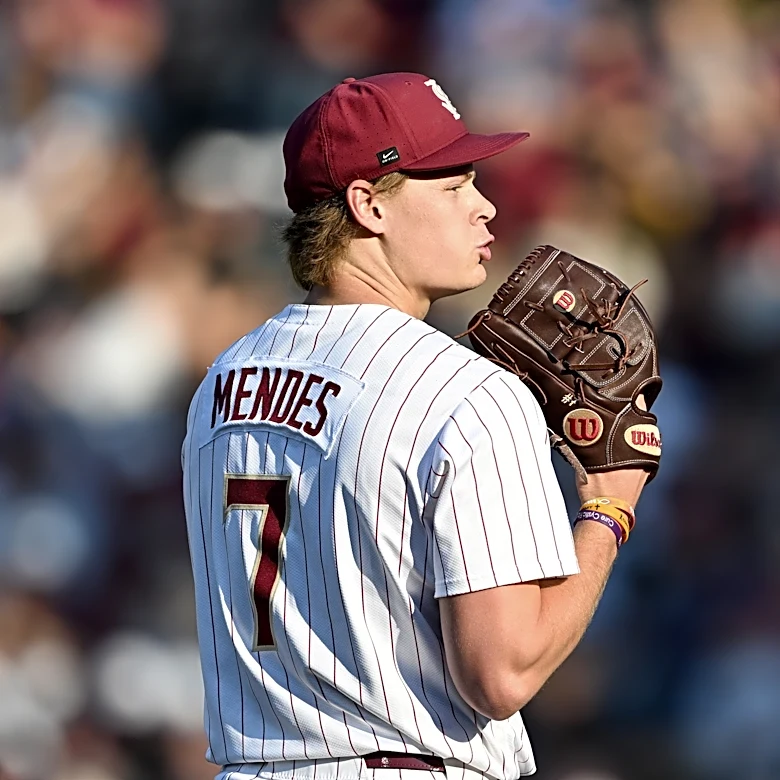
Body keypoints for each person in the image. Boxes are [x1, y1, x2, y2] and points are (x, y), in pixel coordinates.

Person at [181, 72, 648, 780]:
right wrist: (609, 507)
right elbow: (502, 673)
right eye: (453, 184)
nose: (485, 207)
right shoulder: (465, 392)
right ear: (369, 205)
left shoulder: (220, 382)